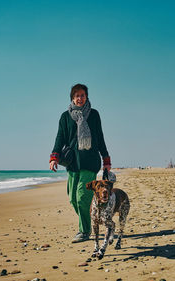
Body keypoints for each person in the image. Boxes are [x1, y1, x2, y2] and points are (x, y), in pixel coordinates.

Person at [49, 83, 111, 243]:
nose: (80, 98)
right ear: (72, 98)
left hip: (90, 161)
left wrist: (106, 159)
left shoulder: (94, 114)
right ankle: (92, 219)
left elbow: (100, 137)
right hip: (72, 162)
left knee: (81, 198)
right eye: (77, 95)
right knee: (72, 198)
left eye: (83, 95)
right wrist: (54, 157)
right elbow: (60, 138)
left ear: (86, 97)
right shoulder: (65, 116)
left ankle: (84, 231)